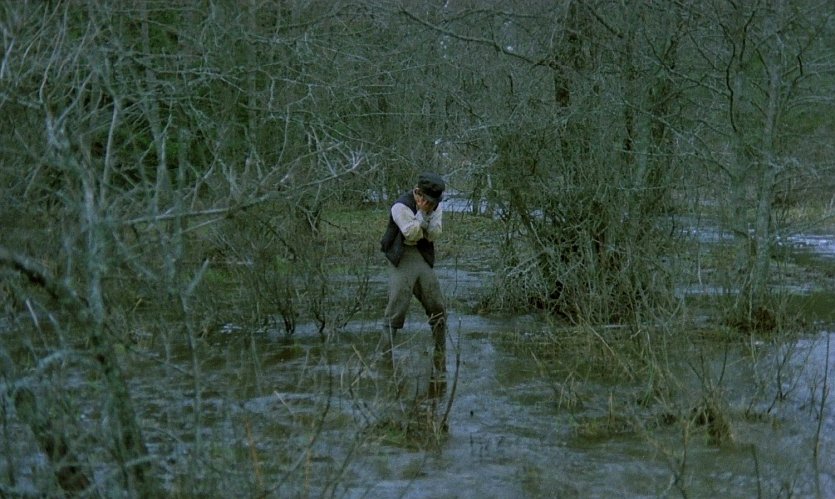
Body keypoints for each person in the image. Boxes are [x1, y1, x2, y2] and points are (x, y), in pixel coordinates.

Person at [379, 172, 447, 383]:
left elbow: (434, 234)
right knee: (397, 306)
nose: (430, 204)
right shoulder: (400, 206)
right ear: (418, 193)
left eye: (433, 202)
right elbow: (412, 233)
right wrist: (423, 215)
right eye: (426, 200)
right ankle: (384, 357)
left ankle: (440, 353)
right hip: (401, 256)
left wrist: (425, 217)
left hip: (421, 255)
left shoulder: (436, 205)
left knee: (437, 305)